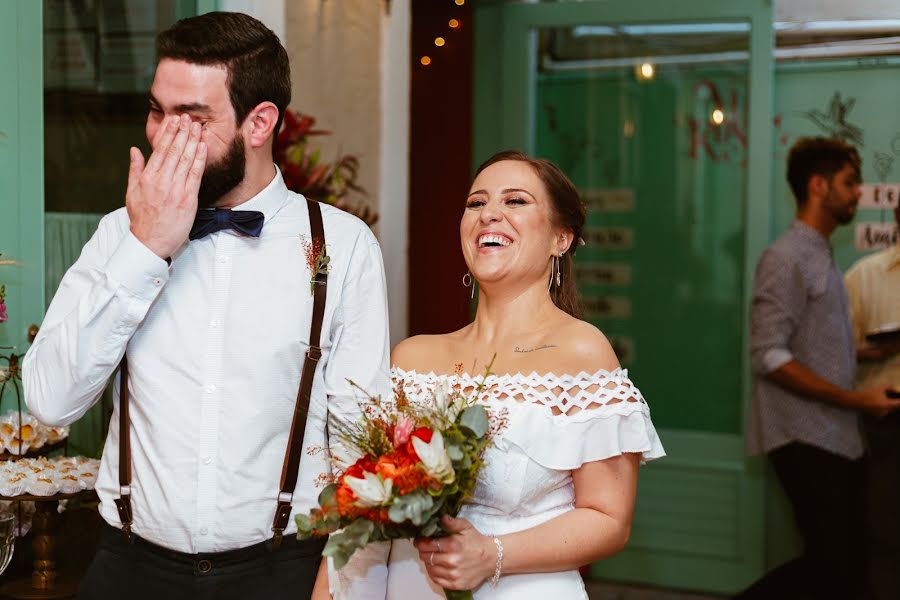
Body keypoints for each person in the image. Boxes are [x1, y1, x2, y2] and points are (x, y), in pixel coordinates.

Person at [22, 12, 389, 600]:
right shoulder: (120, 235)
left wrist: (344, 581)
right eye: (157, 111)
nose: (163, 136)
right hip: (128, 570)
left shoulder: (341, 246)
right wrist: (146, 250)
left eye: (192, 119)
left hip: (281, 573)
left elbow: (359, 441)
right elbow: (49, 398)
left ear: (259, 122)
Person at [333, 150, 663, 599]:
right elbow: (363, 510)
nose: (490, 214)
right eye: (476, 203)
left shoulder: (581, 354)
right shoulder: (412, 358)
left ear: (561, 239)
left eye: (515, 201)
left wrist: (492, 554)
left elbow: (608, 520)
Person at [740, 137, 900, 600]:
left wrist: (867, 356)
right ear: (818, 185)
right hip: (803, 435)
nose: (857, 194)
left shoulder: (819, 253)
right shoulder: (786, 257)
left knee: (842, 564)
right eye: (850, 183)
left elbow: (805, 344)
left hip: (832, 436)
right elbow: (767, 354)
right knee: (837, 564)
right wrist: (857, 398)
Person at [845, 205, 900, 600]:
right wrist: (875, 352)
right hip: (886, 419)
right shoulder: (865, 276)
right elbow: (833, 354)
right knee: (884, 533)